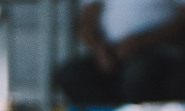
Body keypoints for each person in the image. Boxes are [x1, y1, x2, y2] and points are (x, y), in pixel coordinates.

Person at [56, 0, 185, 104]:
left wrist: (142, 41)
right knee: (70, 75)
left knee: (136, 75)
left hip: (160, 51)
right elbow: (87, 19)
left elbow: (182, 19)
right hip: (110, 52)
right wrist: (99, 49)